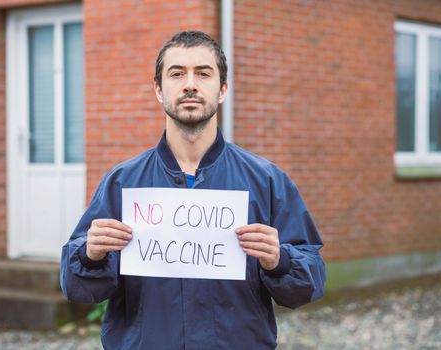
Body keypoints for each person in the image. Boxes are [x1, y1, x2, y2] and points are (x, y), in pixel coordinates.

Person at [61, 30, 325, 349]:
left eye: (203, 73)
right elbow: (77, 288)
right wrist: (90, 255)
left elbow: (309, 281)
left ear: (222, 89)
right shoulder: (122, 182)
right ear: (159, 90)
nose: (190, 84)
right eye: (177, 73)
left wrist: (280, 260)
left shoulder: (267, 180)